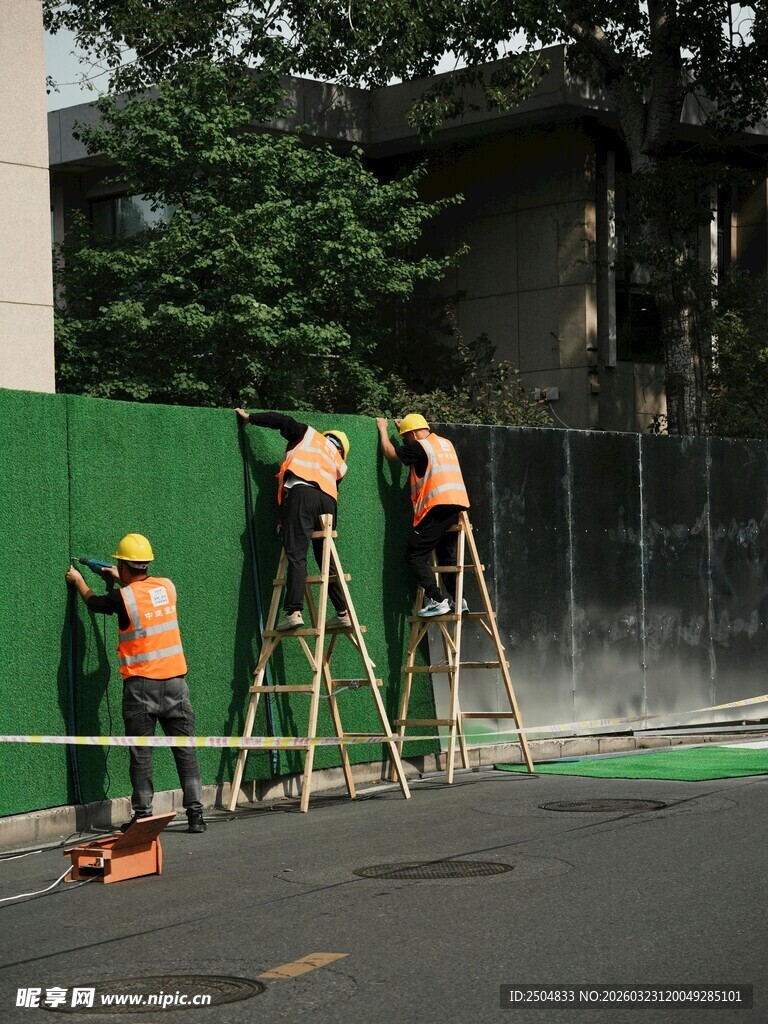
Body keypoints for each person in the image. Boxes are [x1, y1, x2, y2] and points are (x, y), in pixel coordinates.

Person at [65, 534, 206, 833]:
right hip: (177, 684)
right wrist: (122, 579)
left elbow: (95, 603)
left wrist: (78, 580)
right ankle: (196, 815)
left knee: (141, 755)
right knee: (186, 751)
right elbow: (145, 599)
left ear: (123, 565)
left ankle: (142, 817)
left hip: (141, 687)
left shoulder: (122, 597)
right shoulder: (167, 587)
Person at [236, 408, 351, 631]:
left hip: (302, 493)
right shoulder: (338, 461)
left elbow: (282, 421)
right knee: (324, 556)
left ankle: (294, 612)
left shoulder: (308, 435)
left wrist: (251, 417)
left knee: (297, 552)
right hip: (328, 503)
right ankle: (342, 612)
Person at [377, 414, 470, 617]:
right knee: (446, 556)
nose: (406, 443)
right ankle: (458, 598)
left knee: (414, 555)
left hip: (435, 506)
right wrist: (406, 428)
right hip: (457, 506)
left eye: (406, 438)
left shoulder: (420, 447)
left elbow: (390, 453)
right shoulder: (445, 444)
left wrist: (383, 429)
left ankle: (436, 599)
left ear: (412, 434)